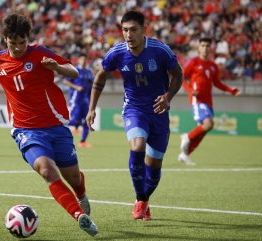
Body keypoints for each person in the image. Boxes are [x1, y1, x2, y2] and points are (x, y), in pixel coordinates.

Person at [0, 13, 98, 236]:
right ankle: (79, 215)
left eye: (22, 42)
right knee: (46, 169)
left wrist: (57, 67)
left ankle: (81, 196)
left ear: (27, 38)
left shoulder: (40, 54)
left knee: (73, 176)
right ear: (5, 39)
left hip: (55, 126)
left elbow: (73, 70)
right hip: (25, 130)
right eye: (13, 43)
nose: (17, 47)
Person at [86, 10, 183, 221]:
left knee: (154, 166)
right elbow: (100, 77)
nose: (128, 35)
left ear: (144, 30)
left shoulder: (160, 50)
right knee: (137, 146)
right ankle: (140, 199)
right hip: (134, 109)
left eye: (133, 30)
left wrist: (168, 96)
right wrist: (92, 107)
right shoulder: (117, 53)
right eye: (125, 30)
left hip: (159, 111)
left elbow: (178, 74)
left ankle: (144, 199)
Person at [178, 38, 240, 165]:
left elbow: (217, 83)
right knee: (208, 124)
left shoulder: (213, 66)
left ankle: (185, 154)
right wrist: (190, 90)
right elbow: (181, 78)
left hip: (208, 102)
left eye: (207, 46)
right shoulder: (193, 62)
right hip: (197, 100)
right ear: (199, 48)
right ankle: (187, 137)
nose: (205, 48)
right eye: (203, 45)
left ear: (210, 49)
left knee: (205, 128)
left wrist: (231, 90)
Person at [63, 54, 94, 148]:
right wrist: (76, 87)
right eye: (82, 60)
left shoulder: (88, 71)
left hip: (85, 99)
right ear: (79, 61)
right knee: (74, 120)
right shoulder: (75, 70)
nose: (84, 62)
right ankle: (56, 126)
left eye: (85, 60)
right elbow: (66, 81)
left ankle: (82, 141)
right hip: (76, 98)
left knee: (87, 120)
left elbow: (92, 83)